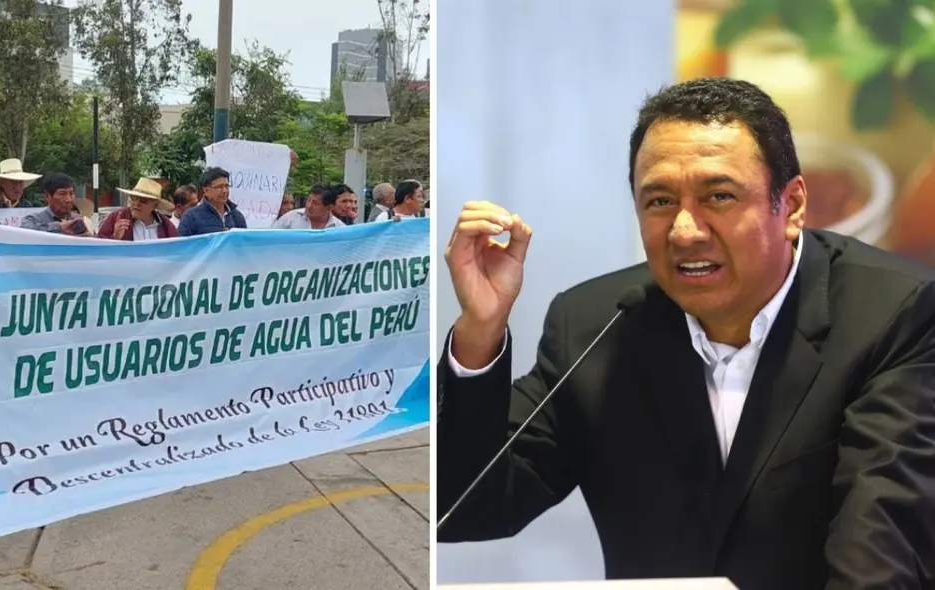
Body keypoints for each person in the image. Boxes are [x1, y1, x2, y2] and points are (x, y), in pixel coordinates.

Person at [437, 78, 935, 590]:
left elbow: (880, 558)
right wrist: (480, 331)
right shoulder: (595, 324)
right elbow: (465, 507)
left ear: (792, 205)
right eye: (659, 201)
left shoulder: (894, 314)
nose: (684, 230)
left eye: (718, 196)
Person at [97, 178, 179, 241]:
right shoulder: (116, 217)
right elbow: (99, 249)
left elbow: (176, 249)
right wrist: (115, 237)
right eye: (134, 197)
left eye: (143, 200)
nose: (136, 203)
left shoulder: (165, 224)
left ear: (155, 205)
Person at [177, 167, 247, 236]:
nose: (225, 191)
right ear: (206, 190)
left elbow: (245, 243)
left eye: (226, 186)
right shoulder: (191, 217)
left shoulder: (236, 216)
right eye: (220, 187)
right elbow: (182, 245)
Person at [20, 173, 92, 236]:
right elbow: (23, 234)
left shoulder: (78, 220)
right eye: (62, 194)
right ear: (47, 196)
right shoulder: (33, 219)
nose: (68, 199)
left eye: (71, 193)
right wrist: (59, 227)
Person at [272, 184, 345, 229]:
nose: (309, 205)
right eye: (309, 200)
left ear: (329, 208)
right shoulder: (289, 219)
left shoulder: (339, 229)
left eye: (315, 203)